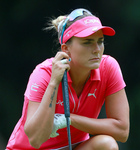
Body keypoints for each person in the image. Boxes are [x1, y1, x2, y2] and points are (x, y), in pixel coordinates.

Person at [6, 8, 130, 150]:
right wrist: (54, 82)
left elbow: (122, 131)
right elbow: (35, 140)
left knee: (106, 145)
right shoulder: (44, 73)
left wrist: (69, 119)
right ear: (65, 49)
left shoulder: (108, 67)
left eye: (100, 41)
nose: (97, 49)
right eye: (87, 42)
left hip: (72, 146)